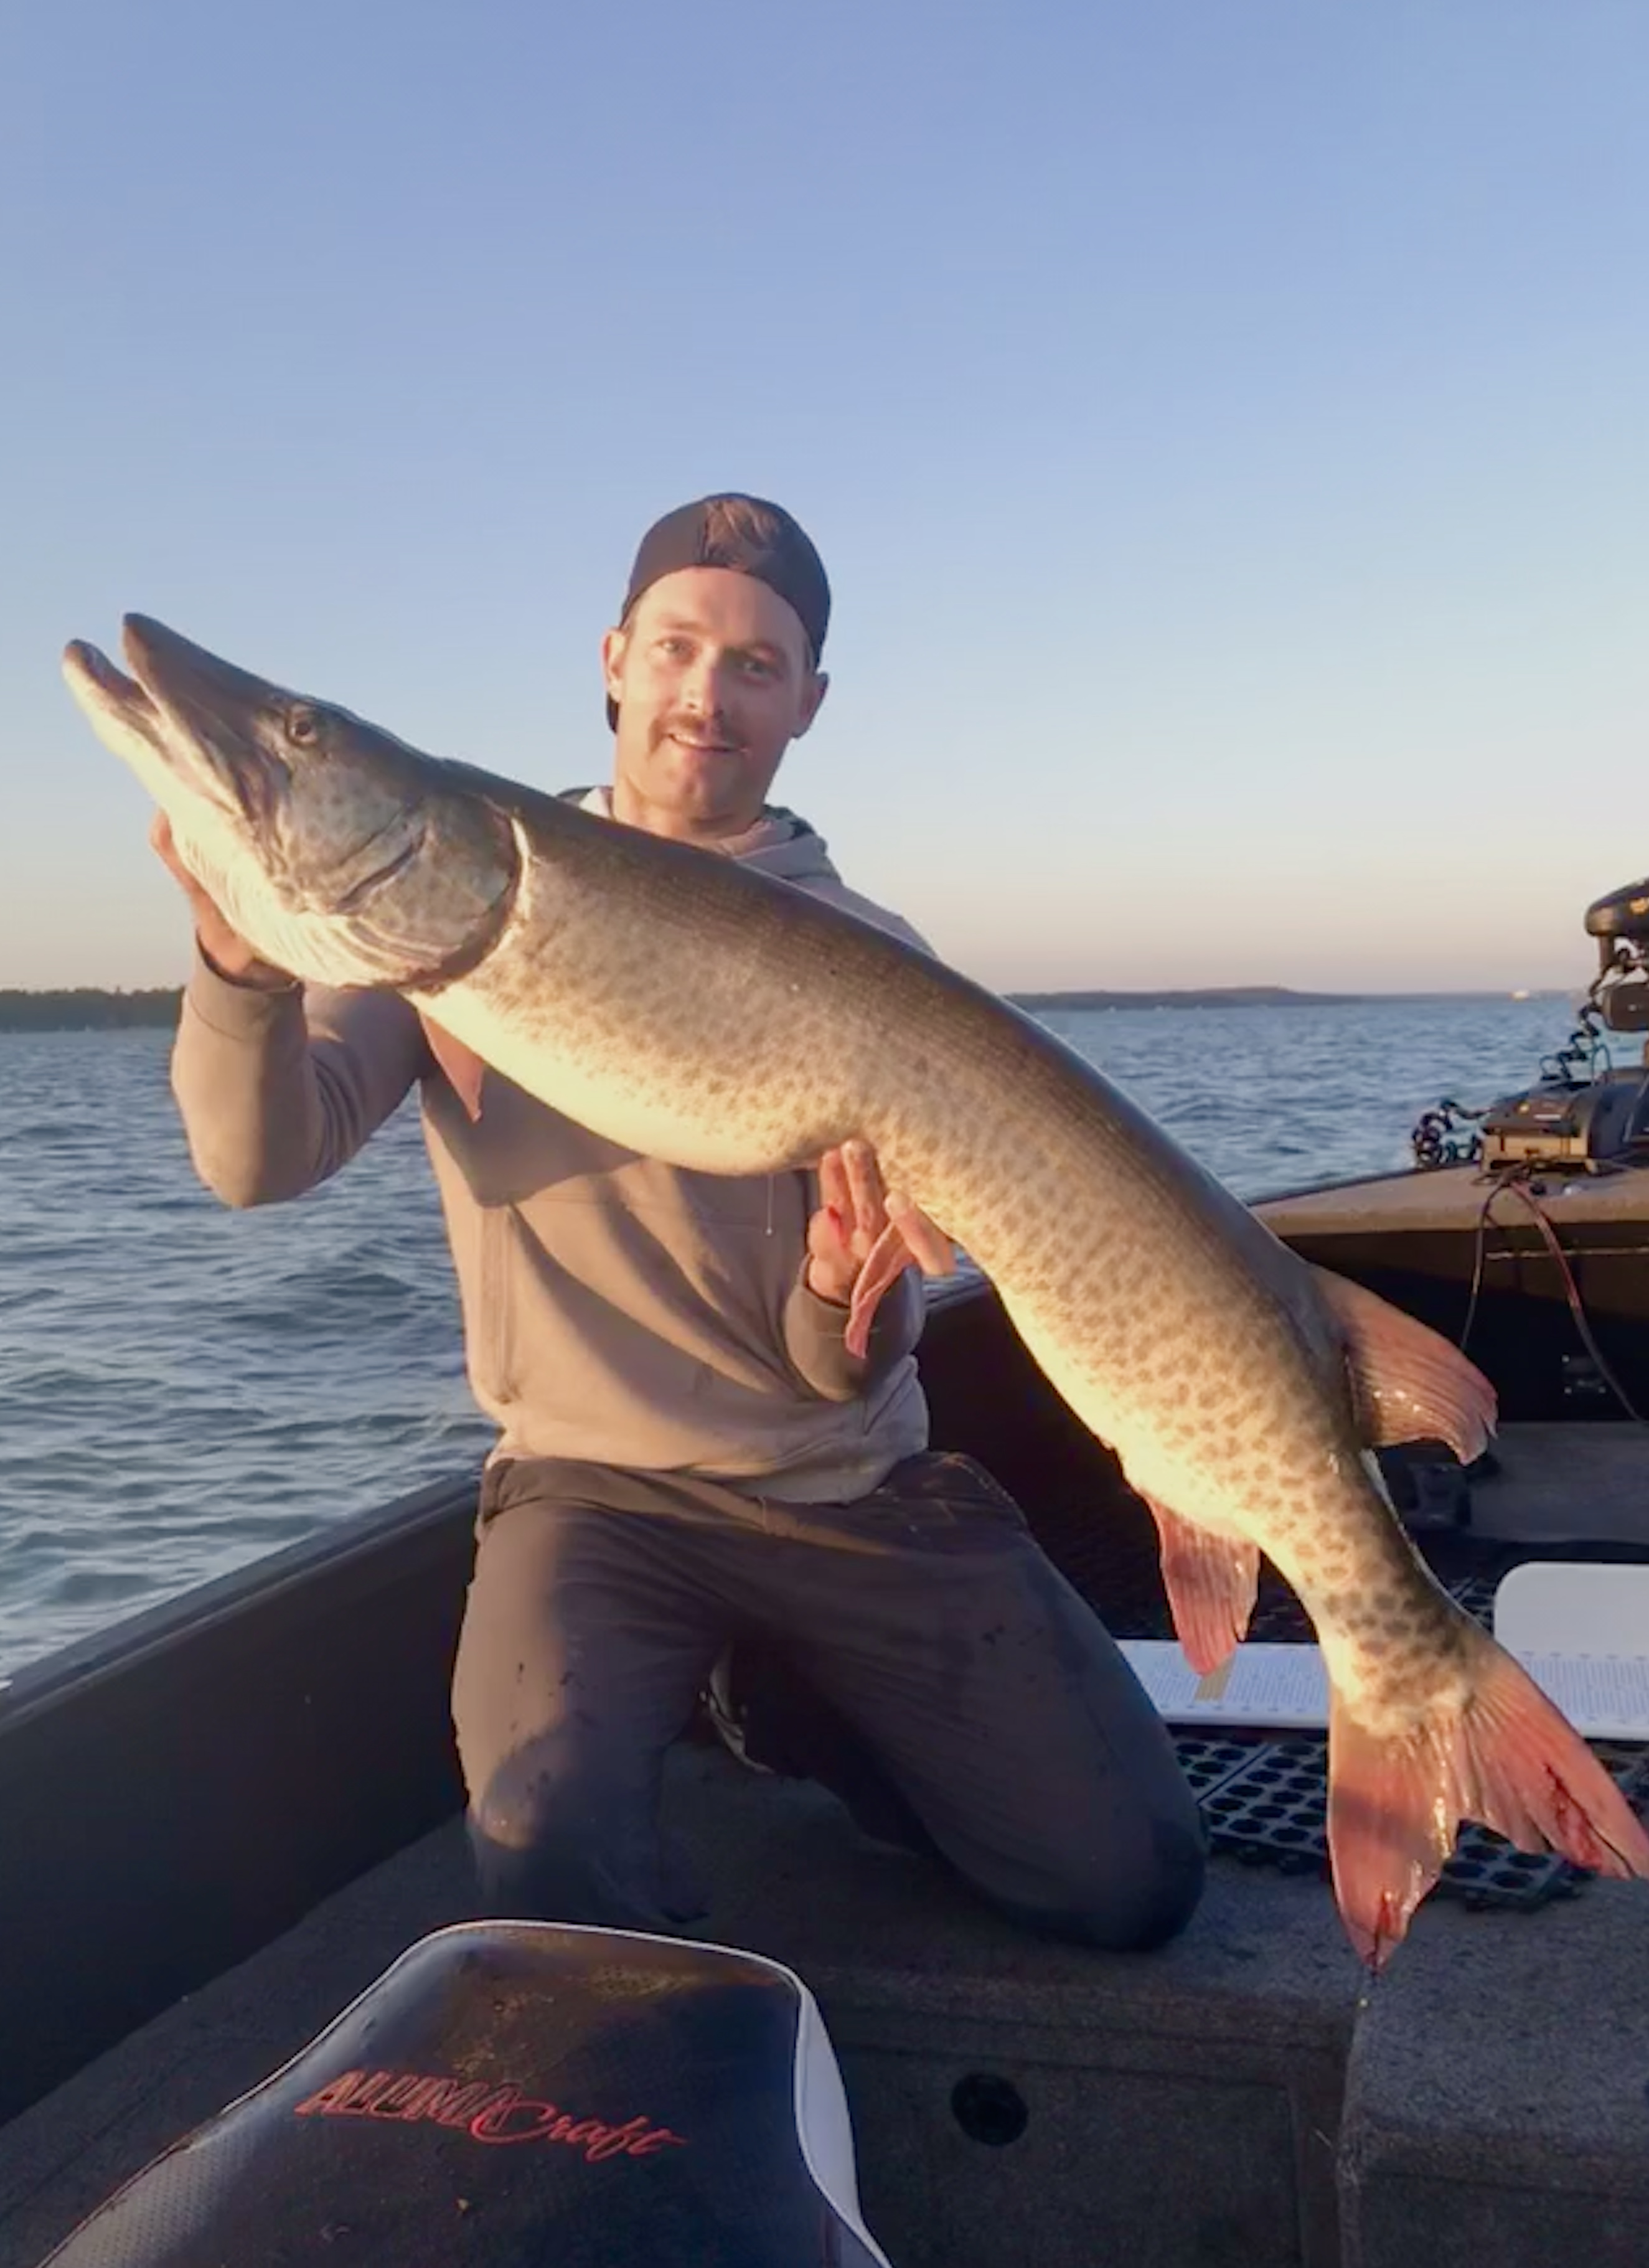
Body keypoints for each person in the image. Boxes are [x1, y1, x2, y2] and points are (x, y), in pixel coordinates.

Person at [156, 492, 1205, 1949]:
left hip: (845, 1482)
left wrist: (849, 1286)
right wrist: (237, 964)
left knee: (1127, 1879)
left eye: (756, 665)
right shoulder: (447, 893)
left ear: (807, 703)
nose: (705, 695)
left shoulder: (873, 958)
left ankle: (791, 1702)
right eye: (675, 648)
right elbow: (258, 1157)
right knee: (549, 1864)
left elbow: (843, 1356)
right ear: (613, 658)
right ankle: (743, 1704)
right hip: (594, 1493)